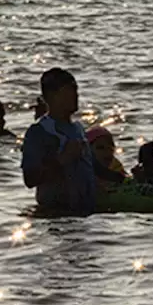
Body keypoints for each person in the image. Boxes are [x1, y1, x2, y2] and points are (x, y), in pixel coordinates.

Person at [20, 68, 97, 215]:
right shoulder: (39, 132)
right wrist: (63, 159)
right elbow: (30, 179)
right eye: (69, 90)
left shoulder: (78, 128)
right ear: (52, 96)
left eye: (76, 90)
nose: (76, 95)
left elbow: (91, 167)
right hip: (56, 215)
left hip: (86, 215)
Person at [86, 125, 127, 189]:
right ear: (88, 151)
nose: (106, 152)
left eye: (110, 148)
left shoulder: (116, 168)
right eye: (100, 148)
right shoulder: (82, 172)